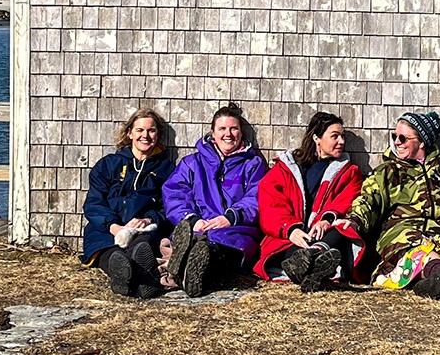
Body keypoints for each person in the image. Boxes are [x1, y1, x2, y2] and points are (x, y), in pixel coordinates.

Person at [344, 110, 440, 300]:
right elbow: (369, 199)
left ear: (422, 142)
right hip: (405, 233)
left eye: (403, 138)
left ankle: (438, 281)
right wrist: (354, 220)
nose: (397, 142)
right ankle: (439, 276)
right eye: (394, 136)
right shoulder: (389, 171)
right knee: (421, 254)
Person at [162, 102, 267, 297]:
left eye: (234, 128)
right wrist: (192, 219)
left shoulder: (253, 164)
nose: (228, 134)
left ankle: (192, 269)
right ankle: (187, 265)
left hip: (236, 229)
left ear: (241, 133)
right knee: (194, 239)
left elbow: (256, 196)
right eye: (222, 129)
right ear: (213, 134)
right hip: (199, 227)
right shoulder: (192, 163)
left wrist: (230, 217)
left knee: (222, 248)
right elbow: (174, 193)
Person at [254, 111, 365, 292]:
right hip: (292, 236)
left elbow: (349, 199)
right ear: (317, 138)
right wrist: (291, 229)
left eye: (343, 136)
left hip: (325, 236)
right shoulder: (287, 168)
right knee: (292, 251)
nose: (342, 141)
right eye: (335, 136)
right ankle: (314, 267)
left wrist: (327, 219)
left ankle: (315, 255)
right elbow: (271, 203)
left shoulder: (349, 172)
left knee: (343, 227)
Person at [81, 108, 175, 299]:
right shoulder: (108, 164)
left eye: (151, 130)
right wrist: (114, 226)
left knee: (143, 245)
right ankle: (125, 274)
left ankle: (133, 278)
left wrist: (149, 220)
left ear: (158, 135)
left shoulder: (166, 169)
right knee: (110, 252)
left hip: (144, 229)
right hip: (108, 227)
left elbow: (169, 206)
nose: (145, 136)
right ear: (129, 133)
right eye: (140, 130)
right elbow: (94, 203)